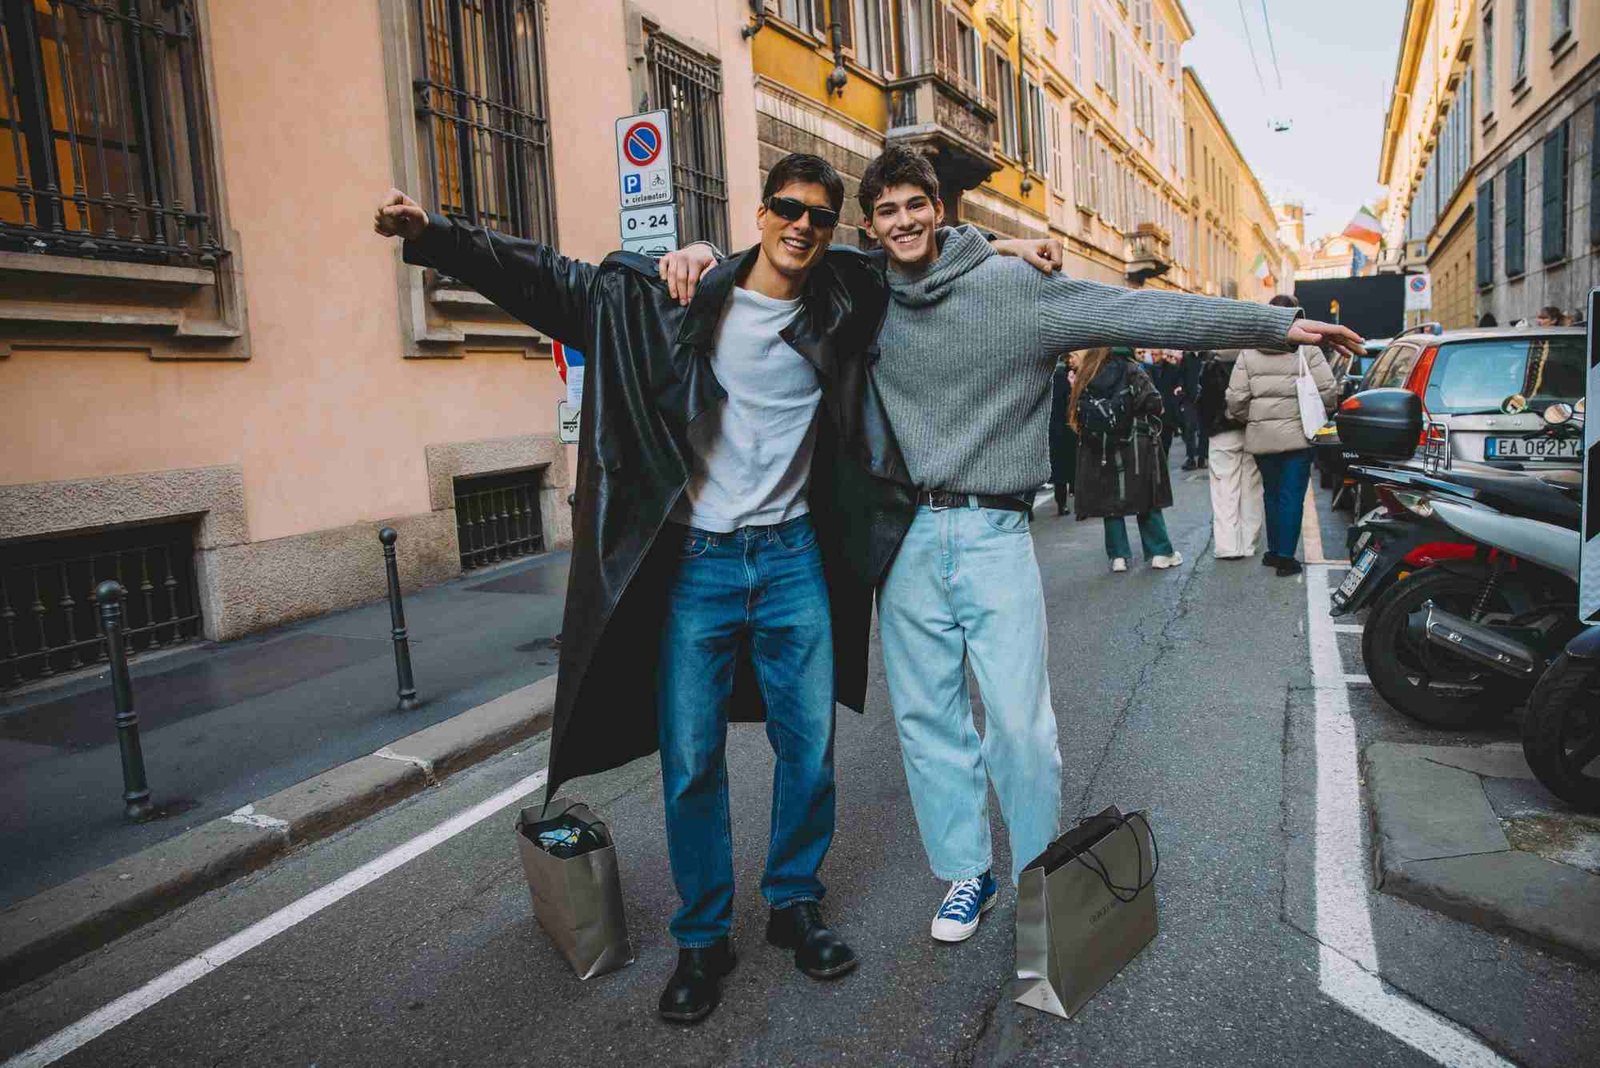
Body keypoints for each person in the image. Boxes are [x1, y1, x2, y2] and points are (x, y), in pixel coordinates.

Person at [661, 146, 1362, 946]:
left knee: (1021, 726)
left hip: (994, 532)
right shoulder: (864, 296)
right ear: (870, 225)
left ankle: (1041, 876)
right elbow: (776, 262)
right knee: (928, 722)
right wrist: (701, 253)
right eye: (885, 210)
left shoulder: (1020, 292)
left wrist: (1275, 324)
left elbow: (1142, 314)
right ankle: (968, 874)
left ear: (940, 207)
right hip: (906, 537)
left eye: (914, 204)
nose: (902, 221)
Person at [1225, 293, 1340, 576]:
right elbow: (1328, 390)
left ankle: (1274, 551)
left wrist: (1251, 419)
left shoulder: (1249, 351)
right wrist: (1317, 415)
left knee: (1272, 494)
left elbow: (1236, 399)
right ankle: (1287, 557)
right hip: (1298, 436)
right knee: (1291, 496)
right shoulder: (1307, 349)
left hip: (1262, 436)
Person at [1071, 347, 1180, 572]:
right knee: (1146, 496)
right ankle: (1160, 552)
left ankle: (1118, 556)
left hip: (1100, 446)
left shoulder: (1088, 371)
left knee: (1111, 499)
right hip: (1135, 442)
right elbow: (1153, 401)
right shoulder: (1131, 368)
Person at [1197, 348, 1264, 559]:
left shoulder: (1211, 364)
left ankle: (1227, 546)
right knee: (1251, 488)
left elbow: (1204, 401)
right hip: (1252, 428)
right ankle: (1248, 544)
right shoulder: (1255, 358)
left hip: (1221, 431)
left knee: (1223, 488)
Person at [1048, 355, 1078, 515]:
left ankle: (1061, 503)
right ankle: (1070, 499)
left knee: (1058, 469)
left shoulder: (1046, 379)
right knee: (1072, 465)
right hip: (1067, 427)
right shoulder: (1064, 379)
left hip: (1052, 428)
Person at [1178, 349, 1208, 470]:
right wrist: (1181, 388)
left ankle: (1202, 457)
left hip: (1205, 398)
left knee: (1204, 429)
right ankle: (1191, 457)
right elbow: (1181, 375)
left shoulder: (1207, 356)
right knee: (1190, 427)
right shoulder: (1187, 357)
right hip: (1189, 398)